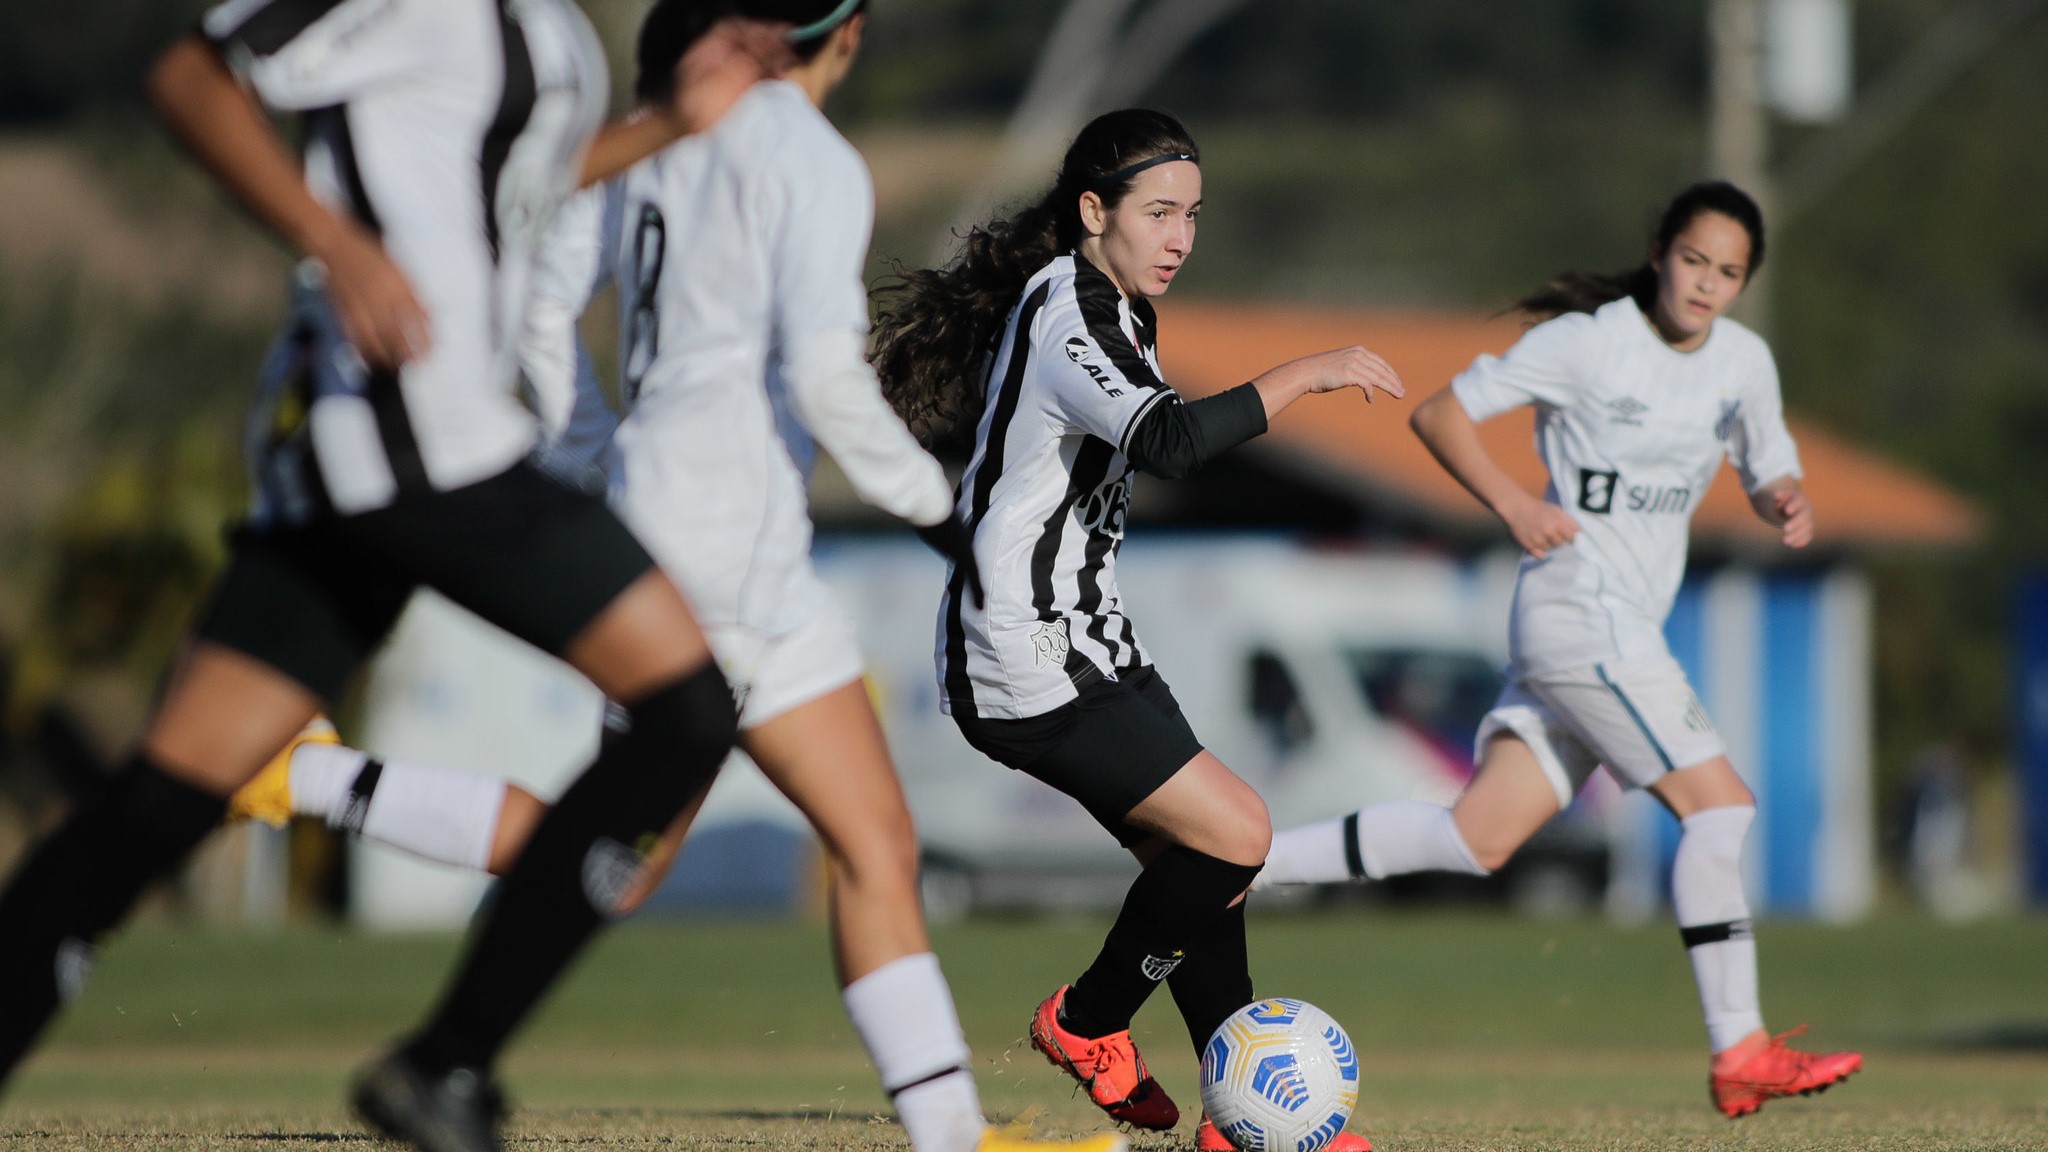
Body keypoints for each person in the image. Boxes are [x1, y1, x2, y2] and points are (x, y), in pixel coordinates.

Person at [228, 4, 1119, 1151]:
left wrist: (593, 449)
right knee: (618, 857)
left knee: (872, 841)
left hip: (721, 537)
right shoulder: (812, 160)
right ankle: (309, 783)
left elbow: (543, 312)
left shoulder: (650, 139)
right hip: (728, 543)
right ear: (840, 40)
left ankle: (953, 1137)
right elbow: (823, 379)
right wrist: (938, 509)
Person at [0, 3, 793, 1150]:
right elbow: (187, 73)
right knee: (683, 711)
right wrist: (334, 241)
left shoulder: (552, 27)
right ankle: (446, 1065)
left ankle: (445, 1065)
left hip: (422, 442)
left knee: (159, 805)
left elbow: (505, 177)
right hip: (406, 434)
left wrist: (668, 122)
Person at [1253, 181, 1863, 1119]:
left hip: (1607, 629)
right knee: (1722, 808)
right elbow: (1440, 414)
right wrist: (1514, 502)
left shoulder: (1743, 362)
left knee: (1475, 838)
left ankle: (1239, 866)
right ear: (1661, 251)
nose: (1705, 284)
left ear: (1744, 283)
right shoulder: (1587, 341)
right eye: (1694, 259)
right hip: (1584, 614)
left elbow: (1768, 459)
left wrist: (1783, 496)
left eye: (1728, 272)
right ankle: (1739, 1047)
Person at [869, 108, 1400, 1152]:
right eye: (1158, 212)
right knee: (1234, 829)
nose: (1178, 236)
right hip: (1019, 650)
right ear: (1090, 211)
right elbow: (1167, 442)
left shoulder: (1114, 307)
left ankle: (1233, 1118)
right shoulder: (1070, 312)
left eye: (1191, 215)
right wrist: (1305, 371)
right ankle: (1087, 1019)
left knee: (1210, 866)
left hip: (1086, 636)